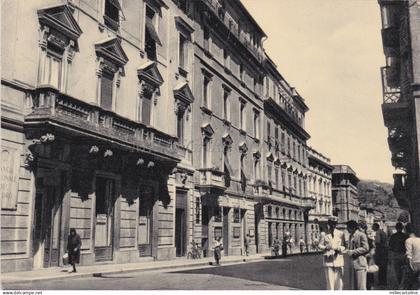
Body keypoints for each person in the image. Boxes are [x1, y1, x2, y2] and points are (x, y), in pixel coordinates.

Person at [318, 216, 346, 290]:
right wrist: (325, 248)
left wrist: (339, 248)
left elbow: (344, 246)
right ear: (329, 224)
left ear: (336, 224)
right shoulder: (324, 234)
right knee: (330, 282)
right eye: (331, 224)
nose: (333, 225)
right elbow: (320, 245)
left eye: (334, 224)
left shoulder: (341, 233)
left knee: (339, 281)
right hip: (328, 260)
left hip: (338, 260)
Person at [347, 220, 370, 290]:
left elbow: (366, 248)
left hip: (360, 264)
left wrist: (353, 251)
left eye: (348, 227)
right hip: (352, 264)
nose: (347, 229)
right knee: (354, 287)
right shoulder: (350, 236)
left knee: (361, 287)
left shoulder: (361, 235)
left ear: (353, 228)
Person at [389, 222, 409, 286]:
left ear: (396, 228)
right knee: (404, 270)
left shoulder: (393, 236)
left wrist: (390, 257)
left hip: (396, 255)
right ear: (402, 228)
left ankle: (399, 283)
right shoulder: (406, 236)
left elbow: (390, 247)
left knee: (397, 271)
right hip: (404, 255)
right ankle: (403, 283)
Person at [403, 223, 420, 289]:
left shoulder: (408, 240)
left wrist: (409, 266)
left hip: (414, 264)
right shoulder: (419, 239)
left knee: (410, 284)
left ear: (406, 231)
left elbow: (409, 254)